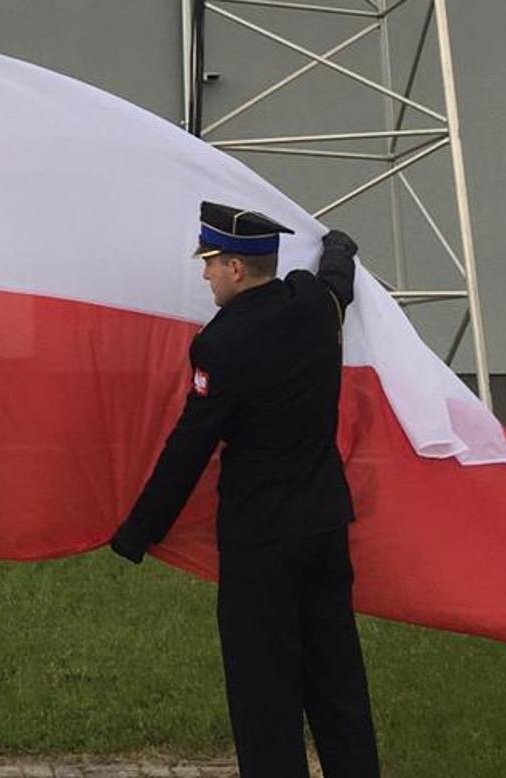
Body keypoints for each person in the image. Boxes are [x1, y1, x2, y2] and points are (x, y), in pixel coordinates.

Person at [110, 202, 378, 778]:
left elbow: (190, 448)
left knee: (265, 697)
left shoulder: (221, 345)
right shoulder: (311, 305)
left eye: (210, 263)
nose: (205, 274)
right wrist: (338, 244)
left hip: (262, 540)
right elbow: (338, 279)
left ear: (236, 268)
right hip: (325, 525)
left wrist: (139, 531)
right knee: (338, 683)